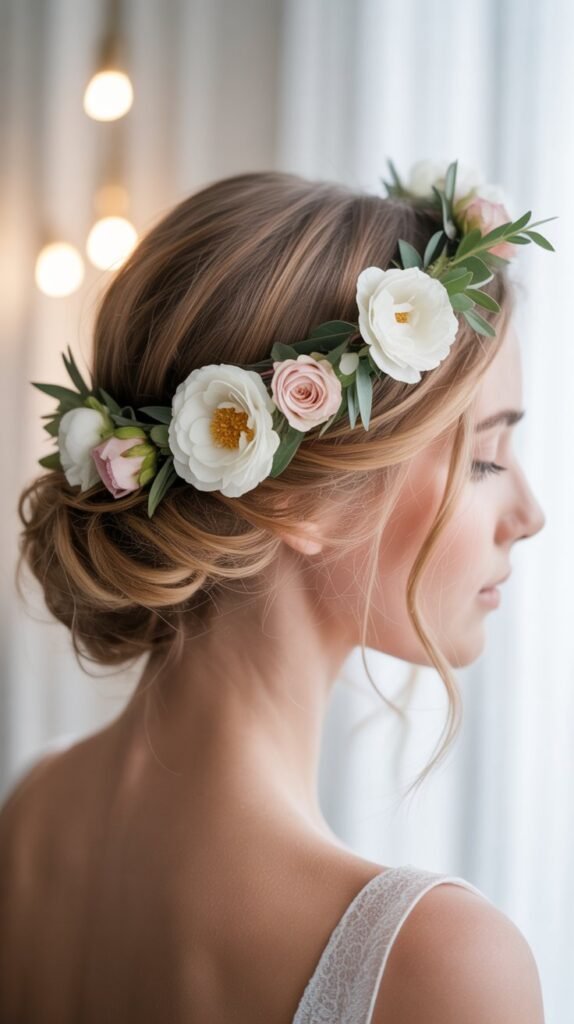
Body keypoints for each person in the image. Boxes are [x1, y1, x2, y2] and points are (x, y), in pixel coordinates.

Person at [1, 166, 548, 1022]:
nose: (531, 515)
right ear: (299, 498)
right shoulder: (439, 967)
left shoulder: (31, 817)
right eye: (483, 459)